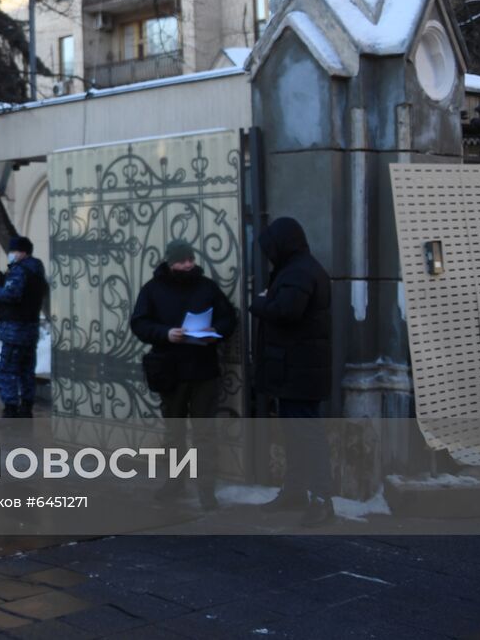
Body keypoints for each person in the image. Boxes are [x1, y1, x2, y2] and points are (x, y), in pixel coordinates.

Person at [129, 239, 237, 509]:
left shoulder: (206, 286)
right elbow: (139, 323)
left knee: (204, 433)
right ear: (169, 262)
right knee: (174, 432)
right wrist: (165, 333)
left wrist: (215, 332)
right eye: (181, 260)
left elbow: (228, 318)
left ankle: (206, 490)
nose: (187, 265)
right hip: (170, 371)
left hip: (203, 370)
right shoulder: (153, 289)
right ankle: (175, 482)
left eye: (190, 259)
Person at [251, 216, 334, 527]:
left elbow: (286, 311)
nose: (269, 254)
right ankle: (297, 492)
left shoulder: (298, 272)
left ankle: (322, 500)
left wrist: (259, 303)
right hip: (296, 368)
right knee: (296, 435)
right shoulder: (300, 268)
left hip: (299, 370)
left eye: (271, 247)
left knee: (307, 435)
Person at [0, 235, 49, 418]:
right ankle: (26, 406)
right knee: (26, 370)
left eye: (13, 251)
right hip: (30, 328)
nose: (11, 254)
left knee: (7, 370)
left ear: (23, 252)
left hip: (14, 330)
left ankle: (10, 409)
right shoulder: (37, 271)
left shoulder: (20, 271)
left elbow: (11, 294)